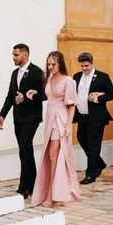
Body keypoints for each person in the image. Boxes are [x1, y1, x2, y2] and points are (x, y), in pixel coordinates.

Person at [31, 51, 79, 207]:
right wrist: (36, 93)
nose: (50, 67)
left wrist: (69, 125)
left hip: (60, 119)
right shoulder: (50, 78)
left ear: (60, 63)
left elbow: (72, 105)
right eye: (48, 64)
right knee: (51, 156)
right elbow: (49, 96)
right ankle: (54, 193)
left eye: (53, 64)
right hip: (50, 118)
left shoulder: (69, 81)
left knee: (55, 155)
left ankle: (54, 194)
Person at [0, 44, 45, 198]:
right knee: (25, 150)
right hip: (18, 117)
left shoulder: (37, 72)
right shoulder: (14, 73)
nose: (14, 57)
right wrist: (2, 115)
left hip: (32, 117)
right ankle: (33, 185)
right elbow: (10, 96)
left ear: (25, 55)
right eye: (13, 54)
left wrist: (26, 98)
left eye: (16, 55)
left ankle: (23, 187)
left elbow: (44, 95)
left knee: (25, 148)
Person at [72, 52, 113, 185]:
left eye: (86, 66)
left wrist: (97, 98)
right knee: (81, 139)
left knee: (93, 146)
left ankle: (90, 174)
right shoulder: (77, 76)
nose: (84, 68)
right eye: (82, 66)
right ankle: (99, 163)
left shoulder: (102, 76)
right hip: (81, 116)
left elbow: (112, 94)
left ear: (92, 63)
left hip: (96, 117)